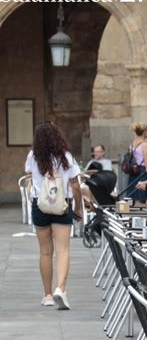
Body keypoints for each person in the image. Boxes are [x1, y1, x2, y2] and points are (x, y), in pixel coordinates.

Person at [25, 121, 83, 310]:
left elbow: (29, 176)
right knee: (63, 250)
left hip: (40, 205)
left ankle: (48, 295)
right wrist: (79, 207)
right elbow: (75, 185)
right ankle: (61, 289)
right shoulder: (66, 156)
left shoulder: (33, 155)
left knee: (45, 251)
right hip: (61, 205)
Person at [126, 122, 147, 205]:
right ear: (144, 132)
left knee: (135, 197)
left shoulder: (131, 144)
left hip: (133, 172)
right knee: (142, 198)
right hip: (142, 172)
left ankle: (136, 216)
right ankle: (142, 216)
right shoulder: (145, 145)